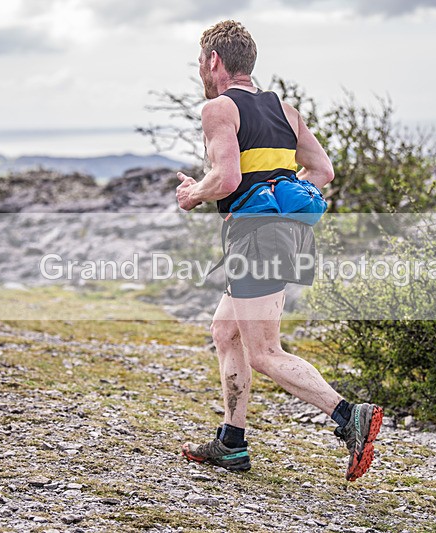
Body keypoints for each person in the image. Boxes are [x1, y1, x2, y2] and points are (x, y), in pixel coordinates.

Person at [175, 20, 383, 482]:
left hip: (257, 236)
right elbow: (322, 170)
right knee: (225, 331)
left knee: (265, 351)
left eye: (200, 62)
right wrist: (283, 194)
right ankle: (231, 443)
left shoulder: (219, 109)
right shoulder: (285, 110)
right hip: (284, 233)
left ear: (214, 61)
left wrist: (193, 194)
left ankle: (349, 415)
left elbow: (226, 181)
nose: (201, 71)